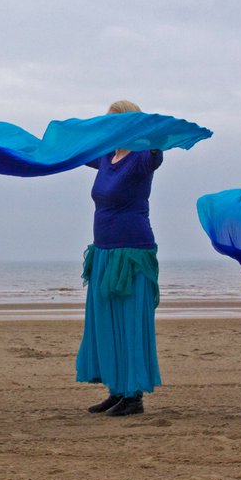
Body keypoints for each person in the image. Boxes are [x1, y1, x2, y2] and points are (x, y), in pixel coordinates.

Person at [77, 100, 163, 417]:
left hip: (132, 251)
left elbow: (158, 147)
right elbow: (73, 153)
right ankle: (117, 389)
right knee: (107, 321)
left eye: (118, 123)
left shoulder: (143, 158)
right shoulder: (106, 158)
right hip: (103, 250)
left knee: (129, 321)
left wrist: (143, 129)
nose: (112, 128)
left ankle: (134, 396)